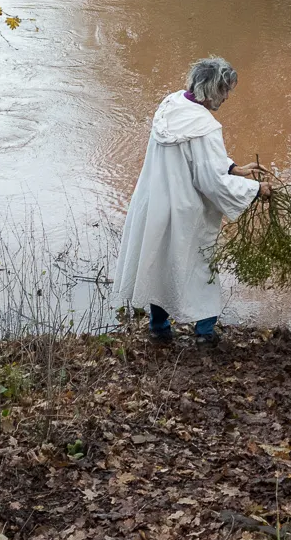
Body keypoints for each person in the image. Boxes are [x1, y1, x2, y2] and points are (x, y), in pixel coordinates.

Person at [112, 57, 270, 344]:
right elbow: (211, 181)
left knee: (159, 263)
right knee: (200, 270)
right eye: (226, 91)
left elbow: (193, 159)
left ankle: (159, 330)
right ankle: (205, 334)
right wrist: (255, 189)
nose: (227, 97)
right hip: (186, 210)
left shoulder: (170, 105)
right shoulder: (206, 126)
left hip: (155, 201)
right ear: (213, 90)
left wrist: (233, 167)